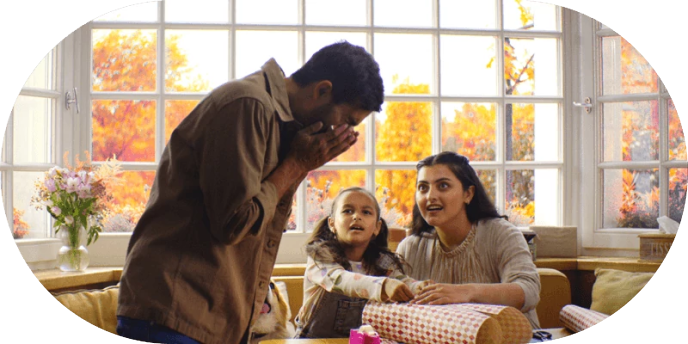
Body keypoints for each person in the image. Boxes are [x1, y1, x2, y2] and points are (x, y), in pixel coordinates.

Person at [116, 41, 384, 344]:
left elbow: (261, 225)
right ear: (322, 90)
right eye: (347, 121)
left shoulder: (279, 124)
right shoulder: (247, 105)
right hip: (173, 312)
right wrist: (297, 164)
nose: (341, 133)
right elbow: (234, 223)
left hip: (202, 317)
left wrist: (300, 163)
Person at [396, 151, 542, 329]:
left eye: (442, 186)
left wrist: (466, 292)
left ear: (468, 194)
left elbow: (528, 291)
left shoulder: (501, 234)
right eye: (423, 187)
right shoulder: (410, 248)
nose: (430, 196)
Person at [293, 187, 432, 338]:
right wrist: (383, 286)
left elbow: (400, 280)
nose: (356, 216)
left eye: (366, 212)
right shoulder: (320, 257)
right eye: (347, 211)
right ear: (332, 224)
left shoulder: (382, 262)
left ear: (377, 228)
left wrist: (418, 287)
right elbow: (339, 279)